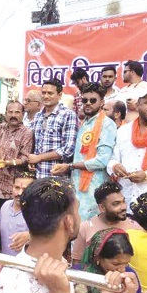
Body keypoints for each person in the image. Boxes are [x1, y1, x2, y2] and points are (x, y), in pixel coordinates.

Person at [51, 83, 117, 221]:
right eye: (84, 100)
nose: (88, 103)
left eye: (93, 100)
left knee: (91, 231)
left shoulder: (107, 124)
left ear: (102, 102)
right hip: (78, 186)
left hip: (95, 189)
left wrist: (69, 166)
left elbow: (102, 161)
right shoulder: (85, 123)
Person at [72, 181, 141, 267]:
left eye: (123, 201)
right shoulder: (85, 228)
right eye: (116, 204)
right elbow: (77, 262)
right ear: (102, 208)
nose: (123, 207)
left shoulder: (135, 227)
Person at [0, 101, 33, 221]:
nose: (14, 115)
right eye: (10, 112)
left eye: (17, 112)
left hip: (12, 188)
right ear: (6, 113)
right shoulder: (0, 127)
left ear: (23, 114)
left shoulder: (26, 132)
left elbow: (24, 158)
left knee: (11, 220)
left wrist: (7, 163)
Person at [28, 78, 79, 179]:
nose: (46, 96)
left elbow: (68, 149)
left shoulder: (68, 115)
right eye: (43, 93)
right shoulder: (38, 116)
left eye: (50, 93)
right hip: (38, 175)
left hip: (57, 177)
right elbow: (36, 144)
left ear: (59, 95)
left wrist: (39, 158)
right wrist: (32, 160)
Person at [0, 171, 35, 256]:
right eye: (17, 187)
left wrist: (30, 236)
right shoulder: (5, 206)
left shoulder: (37, 211)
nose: (20, 193)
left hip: (25, 266)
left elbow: (48, 237)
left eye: (25, 190)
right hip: (5, 264)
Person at [121, 60, 147, 124]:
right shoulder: (122, 90)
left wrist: (137, 106)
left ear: (132, 72)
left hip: (143, 124)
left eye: (125, 72)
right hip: (123, 125)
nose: (123, 74)